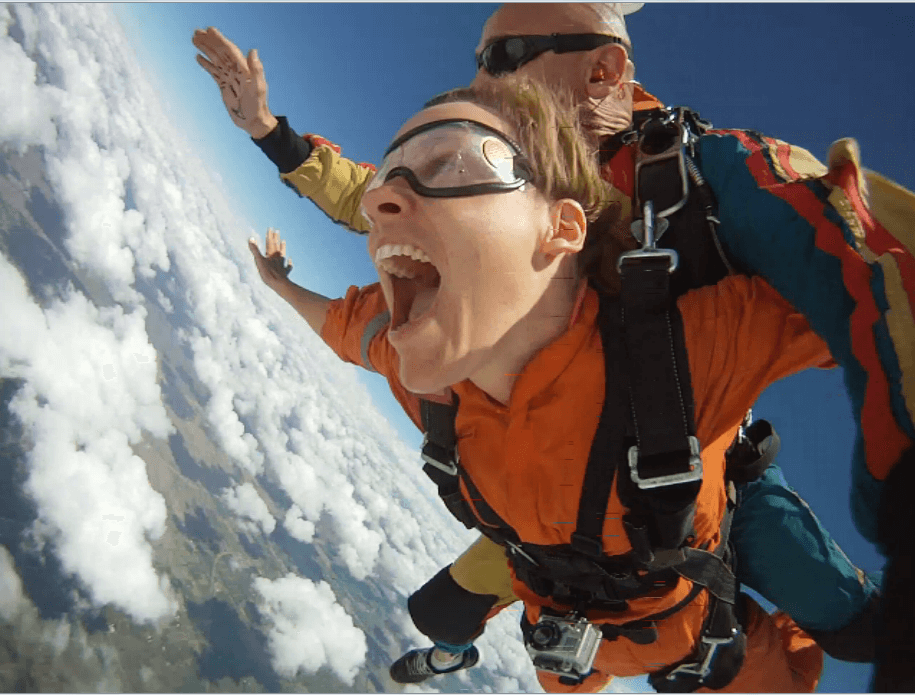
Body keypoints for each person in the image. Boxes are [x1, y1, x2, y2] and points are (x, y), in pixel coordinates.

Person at [196, 3, 913, 688]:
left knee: (854, 626)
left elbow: (860, 262)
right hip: (526, 479)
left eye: (500, 59)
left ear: (603, 72)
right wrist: (268, 132)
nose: (478, 80)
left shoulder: (702, 181)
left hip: (674, 473)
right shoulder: (493, 159)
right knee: (464, 611)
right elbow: (384, 203)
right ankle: (451, 651)